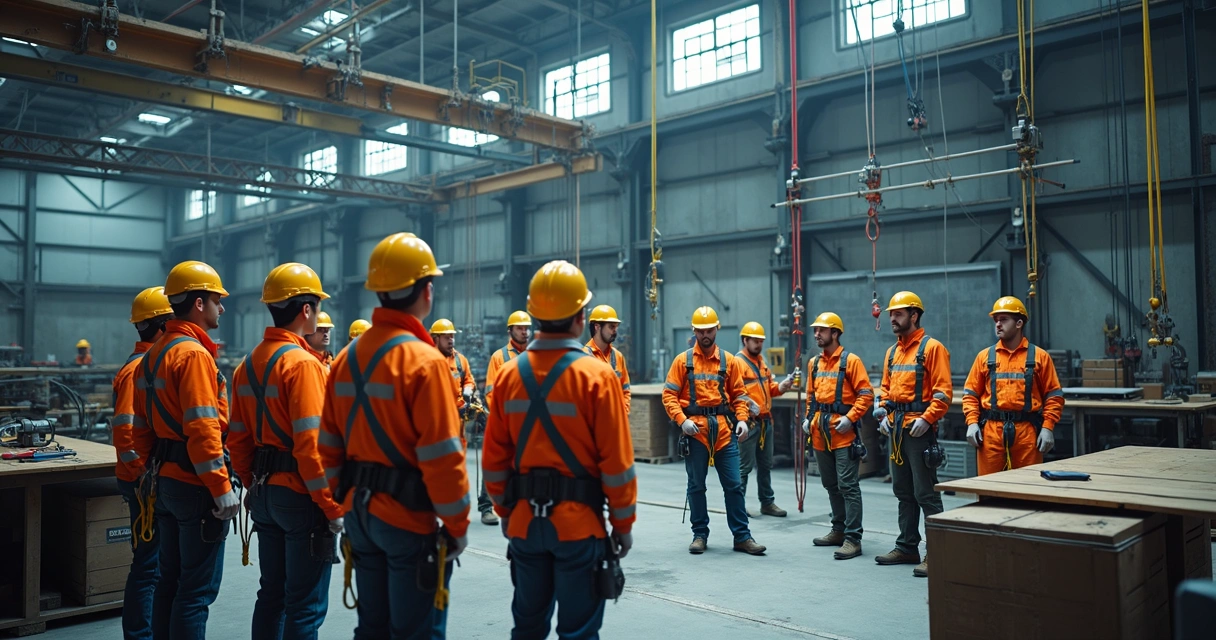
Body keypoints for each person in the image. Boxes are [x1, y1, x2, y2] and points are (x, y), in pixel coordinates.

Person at [318, 232, 469, 639]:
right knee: (414, 630)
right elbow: (443, 458)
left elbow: (327, 445)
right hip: (407, 519)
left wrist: (346, 496)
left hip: (360, 517)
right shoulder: (425, 362)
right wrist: (457, 525)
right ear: (426, 291)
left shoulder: (346, 359)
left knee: (373, 627)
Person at [482, 260, 636, 640]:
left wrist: (505, 511)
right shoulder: (598, 377)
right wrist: (622, 524)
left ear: (534, 316)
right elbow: (617, 463)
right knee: (579, 632)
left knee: (528, 627)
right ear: (581, 317)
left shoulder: (507, 376)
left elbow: (494, 460)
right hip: (578, 528)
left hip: (523, 526)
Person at [229, 263, 342, 640]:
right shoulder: (304, 365)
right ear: (306, 310)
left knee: (272, 595)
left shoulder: (246, 366)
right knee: (305, 606)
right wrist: (331, 505)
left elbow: (238, 439)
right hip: (300, 495)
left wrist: (251, 483)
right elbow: (312, 446)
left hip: (263, 492)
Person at [131, 260, 237, 639]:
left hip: (163, 484)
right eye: (216, 300)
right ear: (198, 303)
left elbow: (140, 429)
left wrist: (148, 475)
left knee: (169, 583)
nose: (221, 308)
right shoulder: (192, 355)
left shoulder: (153, 354)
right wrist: (221, 487)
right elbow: (203, 427)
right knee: (195, 593)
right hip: (195, 485)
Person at [662, 306, 766, 556]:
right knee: (696, 485)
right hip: (695, 431)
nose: (706, 334)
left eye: (710, 330)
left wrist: (742, 420)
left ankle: (742, 536)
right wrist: (681, 420)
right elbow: (669, 395)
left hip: (723, 432)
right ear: (694, 331)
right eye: (701, 331)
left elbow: (740, 395)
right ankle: (699, 534)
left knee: (733, 484)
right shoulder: (682, 361)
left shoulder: (729, 361)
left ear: (716, 329)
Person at [873, 291, 951, 578]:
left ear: (914, 315)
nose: (892, 318)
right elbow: (885, 390)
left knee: (926, 493)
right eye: (891, 314)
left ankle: (938, 552)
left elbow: (943, 393)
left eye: (899, 313)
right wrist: (883, 414)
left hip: (919, 431)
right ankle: (907, 546)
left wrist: (928, 419)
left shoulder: (932, 349)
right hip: (896, 430)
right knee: (903, 492)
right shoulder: (892, 352)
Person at [112, 286, 173, 640]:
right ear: (163, 324)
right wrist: (145, 475)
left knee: (154, 566)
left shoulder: (145, 365)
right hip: (142, 483)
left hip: (142, 479)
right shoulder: (141, 369)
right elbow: (125, 432)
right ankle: (139, 635)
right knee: (149, 567)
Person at [963, 296, 1065, 475]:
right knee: (989, 490)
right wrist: (972, 423)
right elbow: (971, 395)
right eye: (996, 320)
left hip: (1027, 434)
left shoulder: (1039, 357)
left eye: (1003, 319)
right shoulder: (984, 357)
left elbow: (1054, 396)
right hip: (991, 434)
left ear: (1019, 323)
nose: (998, 324)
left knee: (1027, 489)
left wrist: (1048, 428)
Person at [801, 312, 873, 560]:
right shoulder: (814, 364)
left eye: (821, 330)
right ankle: (838, 530)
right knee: (830, 484)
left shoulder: (851, 361)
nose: (816, 334)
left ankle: (853, 538)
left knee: (848, 486)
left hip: (843, 435)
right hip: (820, 433)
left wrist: (850, 418)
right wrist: (808, 419)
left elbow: (866, 395)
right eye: (815, 330)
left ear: (835, 333)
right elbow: (811, 396)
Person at [734, 321, 795, 518]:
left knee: (766, 465)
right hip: (749, 423)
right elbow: (735, 394)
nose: (759, 344)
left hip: (765, 422)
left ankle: (767, 503)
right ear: (745, 340)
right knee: (744, 467)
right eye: (755, 341)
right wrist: (743, 416)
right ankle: (738, 505)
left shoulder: (761, 361)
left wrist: (782, 387)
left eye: (761, 341)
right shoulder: (738, 363)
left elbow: (769, 389)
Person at [479, 310, 532, 525]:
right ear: (510, 331)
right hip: (504, 422)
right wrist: (505, 418)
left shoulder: (533, 356)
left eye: (527, 328)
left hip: (529, 423)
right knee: (496, 461)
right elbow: (491, 392)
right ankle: (486, 506)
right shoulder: (499, 357)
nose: (524, 332)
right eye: (520, 328)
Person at [583, 304, 631, 412]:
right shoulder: (583, 357)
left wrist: (624, 413)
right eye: (611, 327)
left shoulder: (618, 356)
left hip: (616, 422)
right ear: (597, 327)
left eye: (616, 327)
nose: (615, 331)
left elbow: (625, 389)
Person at [430, 319, 476, 411]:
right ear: (436, 339)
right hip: (436, 414)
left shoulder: (460, 360)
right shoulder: (427, 361)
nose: (451, 341)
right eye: (447, 337)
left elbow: (468, 380)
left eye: (452, 337)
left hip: (458, 414)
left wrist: (468, 390)